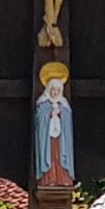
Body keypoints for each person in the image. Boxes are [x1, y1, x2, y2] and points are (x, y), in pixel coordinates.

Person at [34, 61, 75, 189]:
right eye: (53, 90)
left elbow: (68, 124)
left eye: (58, 90)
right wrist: (51, 114)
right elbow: (40, 121)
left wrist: (61, 115)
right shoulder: (42, 104)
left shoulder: (64, 105)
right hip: (47, 140)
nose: (55, 93)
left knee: (60, 155)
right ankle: (48, 179)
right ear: (48, 89)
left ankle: (63, 178)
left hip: (61, 140)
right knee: (50, 156)